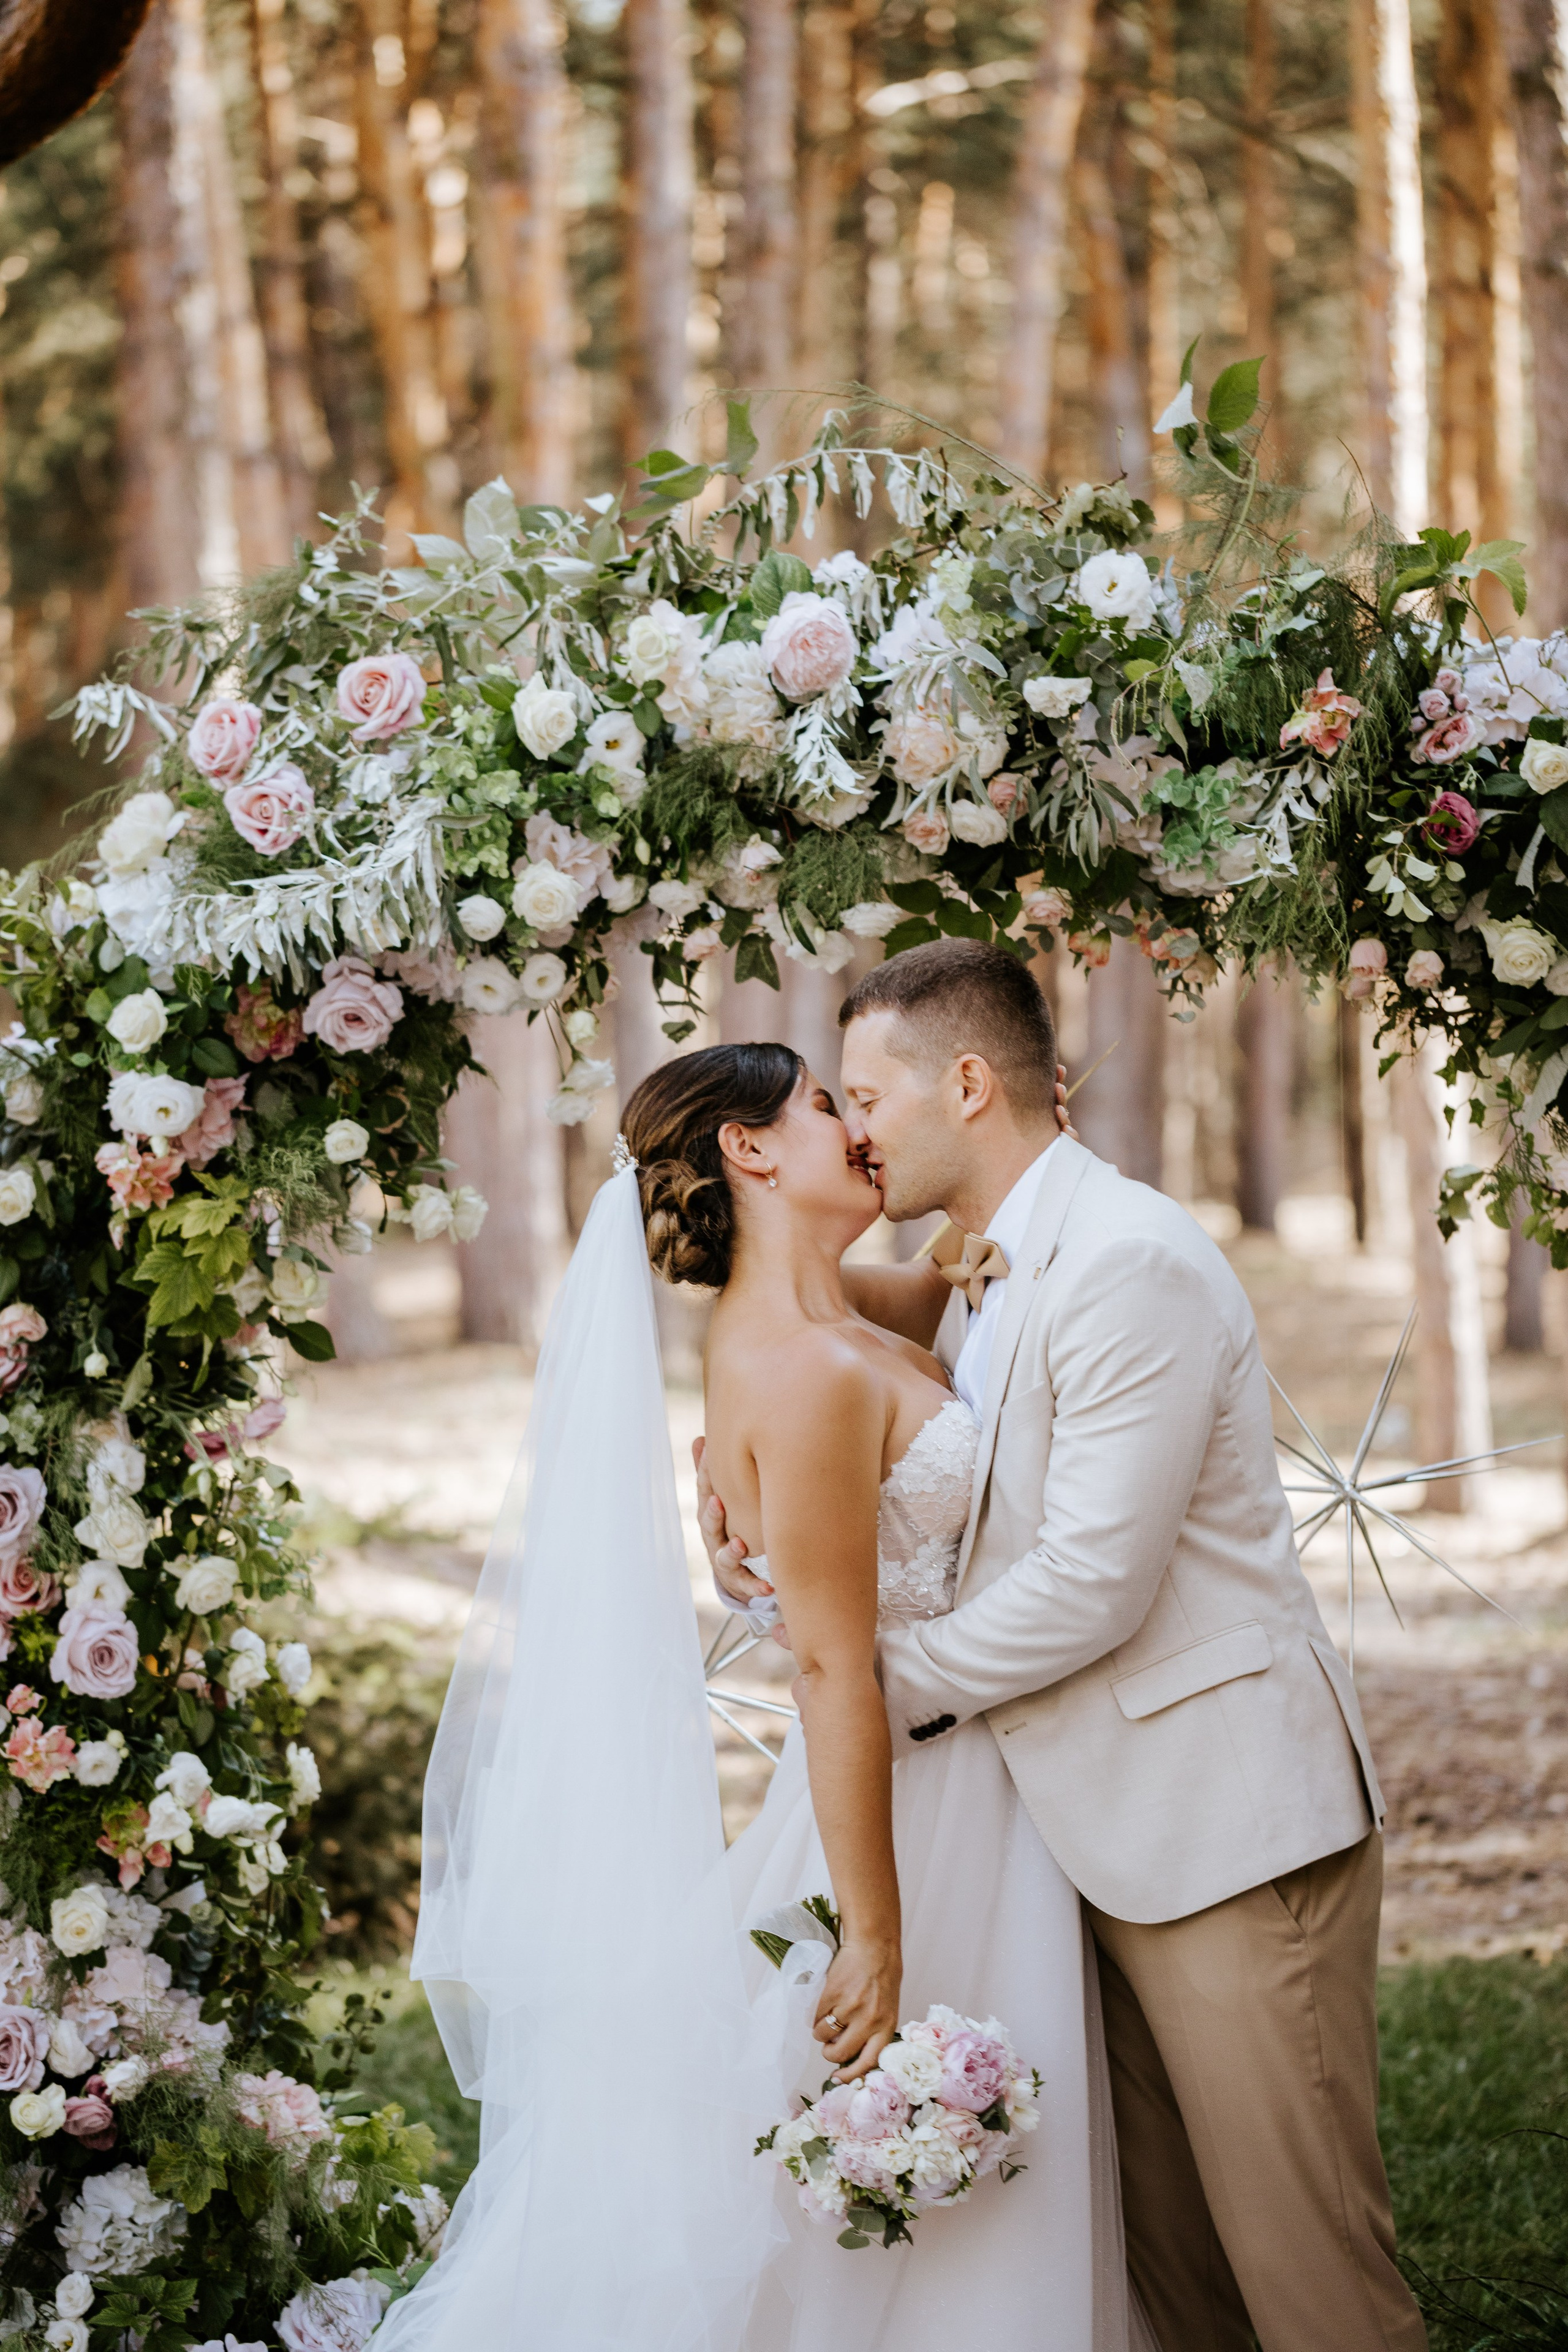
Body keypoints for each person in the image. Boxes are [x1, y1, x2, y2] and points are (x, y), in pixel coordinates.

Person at [699, 937, 1428, 2352]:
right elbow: (819, 1392)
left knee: (1311, 2279)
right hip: (1073, 1835)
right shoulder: (978, 1265)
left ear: (967, 1086)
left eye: (867, 1096)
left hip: (1217, 1826)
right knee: (1175, 2274)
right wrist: (753, 1538)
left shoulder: (1124, 1262)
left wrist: (869, 1689)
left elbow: (1092, 1580)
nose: (855, 1130)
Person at [625, 1042, 1153, 2352]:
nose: (858, 1132)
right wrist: (873, 1934)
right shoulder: (797, 1365)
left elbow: (941, 1285)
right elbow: (827, 1665)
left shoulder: (841, 1305)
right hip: (914, 1797)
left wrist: (1006, 1134)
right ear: (749, 1149)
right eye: (826, 1106)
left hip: (983, 1757)